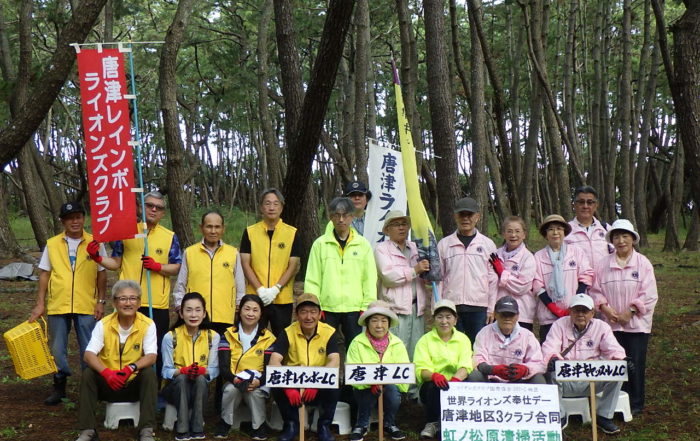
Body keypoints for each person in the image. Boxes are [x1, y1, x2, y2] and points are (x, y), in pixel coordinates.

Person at [88, 191, 182, 376]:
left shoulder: (170, 236)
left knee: (154, 349)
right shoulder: (126, 232)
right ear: (141, 207)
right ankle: (122, 382)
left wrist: (158, 266)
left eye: (158, 208)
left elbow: (177, 267)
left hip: (156, 303)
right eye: (149, 205)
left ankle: (155, 387)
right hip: (127, 300)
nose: (153, 210)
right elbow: (115, 263)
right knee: (124, 347)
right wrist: (97, 257)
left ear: (163, 213)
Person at [29, 201, 107, 405]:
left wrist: (100, 301)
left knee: (89, 347)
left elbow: (102, 273)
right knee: (57, 348)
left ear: (84, 218)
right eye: (70, 218)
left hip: (86, 303)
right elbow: (45, 274)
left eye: (78, 217)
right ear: (62, 221)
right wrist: (40, 303)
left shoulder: (95, 243)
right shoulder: (53, 244)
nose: (75, 221)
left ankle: (90, 388)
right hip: (59, 303)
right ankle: (59, 386)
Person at [74, 280, 158, 441]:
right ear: (114, 302)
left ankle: (146, 429)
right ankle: (87, 430)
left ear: (139, 302)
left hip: (132, 383)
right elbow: (89, 354)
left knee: (149, 373)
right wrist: (107, 373)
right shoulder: (103, 324)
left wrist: (130, 368)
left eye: (133, 298)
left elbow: (151, 356)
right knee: (88, 373)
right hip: (108, 383)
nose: (128, 303)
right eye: (123, 298)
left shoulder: (147, 324)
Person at [590, 219, 658, 415]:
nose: (621, 241)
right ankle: (615, 402)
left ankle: (635, 403)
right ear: (611, 240)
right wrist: (605, 308)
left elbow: (649, 293)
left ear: (633, 239)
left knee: (635, 362)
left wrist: (631, 311)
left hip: (637, 325)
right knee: (614, 363)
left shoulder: (643, 263)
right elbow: (595, 290)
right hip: (611, 324)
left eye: (625, 236)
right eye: (617, 237)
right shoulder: (603, 264)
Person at [542, 294, 627, 435]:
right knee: (551, 371)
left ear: (592, 313)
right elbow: (550, 346)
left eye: (584, 311)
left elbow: (613, 348)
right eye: (576, 310)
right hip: (566, 381)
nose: (580, 314)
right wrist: (553, 358)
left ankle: (603, 416)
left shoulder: (602, 327)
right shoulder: (559, 325)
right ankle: (560, 414)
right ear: (570, 311)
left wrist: (622, 359)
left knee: (618, 371)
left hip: (592, 381)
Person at [268, 293, 341, 441]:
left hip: (318, 383)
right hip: (294, 383)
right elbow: (274, 361)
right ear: (296, 315)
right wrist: (288, 387)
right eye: (304, 312)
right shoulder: (287, 332)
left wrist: (317, 383)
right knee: (276, 384)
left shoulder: (329, 332)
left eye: (313, 312)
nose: (309, 317)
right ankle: (291, 425)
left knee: (334, 383)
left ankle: (324, 426)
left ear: (320, 314)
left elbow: (334, 360)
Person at [305, 197, 377, 345]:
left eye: (345, 215)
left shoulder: (363, 244)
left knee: (354, 347)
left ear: (352, 216)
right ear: (331, 217)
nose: (341, 219)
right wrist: (314, 305)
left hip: (354, 307)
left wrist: (366, 306)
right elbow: (313, 278)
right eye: (337, 215)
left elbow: (369, 278)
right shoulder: (320, 244)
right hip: (327, 307)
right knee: (325, 346)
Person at [240, 188, 301, 336]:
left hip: (282, 298)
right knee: (253, 337)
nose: (271, 207)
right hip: (255, 297)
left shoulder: (292, 233)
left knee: (282, 338)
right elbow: (245, 263)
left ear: (281, 207)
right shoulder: (250, 232)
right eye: (267, 203)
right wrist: (260, 289)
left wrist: (276, 289)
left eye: (275, 203)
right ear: (261, 207)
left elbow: (293, 265)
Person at [437, 196, 498, 344]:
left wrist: (491, 308)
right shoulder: (444, 244)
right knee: (451, 346)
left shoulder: (488, 245)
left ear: (477, 216)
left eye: (469, 215)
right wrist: (437, 307)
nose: (465, 218)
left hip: (479, 307)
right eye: (461, 214)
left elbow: (493, 278)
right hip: (451, 306)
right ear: (455, 216)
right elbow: (439, 278)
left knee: (477, 346)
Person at [346, 301, 410, 441]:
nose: (379, 325)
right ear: (367, 323)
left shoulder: (397, 343)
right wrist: (370, 382)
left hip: (390, 388)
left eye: (383, 321)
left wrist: (386, 382)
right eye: (374, 320)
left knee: (392, 390)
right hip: (364, 390)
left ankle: (389, 423)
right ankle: (361, 425)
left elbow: (404, 374)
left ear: (389, 323)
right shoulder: (357, 343)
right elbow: (353, 372)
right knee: (368, 390)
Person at [174, 210, 246, 334]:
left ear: (223, 229)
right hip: (196, 316)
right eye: (209, 226)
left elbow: (239, 284)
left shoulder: (233, 253)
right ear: (201, 228)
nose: (213, 231)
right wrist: (180, 305)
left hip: (225, 316)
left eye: (217, 227)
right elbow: (181, 284)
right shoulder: (190, 253)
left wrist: (239, 305)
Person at [215, 294, 276, 440]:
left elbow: (270, 368)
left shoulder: (268, 337)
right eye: (247, 309)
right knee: (230, 390)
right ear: (240, 310)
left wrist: (258, 382)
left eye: (255, 310)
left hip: (258, 381)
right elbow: (223, 366)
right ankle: (225, 422)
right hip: (233, 379)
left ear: (261, 314)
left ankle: (259, 426)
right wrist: (235, 380)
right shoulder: (228, 334)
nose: (250, 314)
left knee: (255, 392)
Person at [161, 292, 220, 441]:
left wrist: (202, 371)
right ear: (181, 314)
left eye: (198, 310)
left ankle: (197, 428)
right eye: (188, 310)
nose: (193, 315)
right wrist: (182, 371)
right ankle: (182, 429)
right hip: (174, 388)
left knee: (200, 379)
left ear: (204, 313)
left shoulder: (213, 336)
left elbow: (214, 369)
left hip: (200, 389)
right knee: (182, 379)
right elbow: (165, 370)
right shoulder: (171, 337)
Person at [373, 210, 431, 358]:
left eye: (404, 224)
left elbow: (425, 275)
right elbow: (388, 277)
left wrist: (429, 273)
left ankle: (413, 375)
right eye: (396, 224)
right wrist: (414, 270)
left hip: (417, 310)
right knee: (395, 353)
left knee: (417, 352)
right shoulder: (381, 249)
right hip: (395, 311)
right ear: (387, 230)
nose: (401, 228)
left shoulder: (416, 248)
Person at [413, 299, 473, 439]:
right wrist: (434, 376)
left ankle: (460, 421)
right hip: (434, 386)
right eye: (439, 317)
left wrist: (455, 380)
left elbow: (466, 364)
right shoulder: (425, 340)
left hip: (457, 382)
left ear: (455, 320)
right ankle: (433, 422)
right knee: (432, 386)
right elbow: (421, 369)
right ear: (434, 320)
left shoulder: (463, 339)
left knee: (472, 378)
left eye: (448, 317)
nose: (444, 321)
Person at [533, 214, 594, 341]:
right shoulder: (538, 256)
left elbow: (586, 276)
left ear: (564, 232)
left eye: (559, 229)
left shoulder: (576, 252)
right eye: (551, 229)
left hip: (575, 314)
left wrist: (574, 304)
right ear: (545, 234)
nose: (555, 233)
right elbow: (537, 285)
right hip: (548, 317)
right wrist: (553, 308)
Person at [467, 296, 546, 383]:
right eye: (503, 314)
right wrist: (492, 369)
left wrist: (525, 370)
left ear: (518, 316)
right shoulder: (484, 333)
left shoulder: (528, 336)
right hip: (491, 380)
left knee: (538, 379)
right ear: (495, 314)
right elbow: (477, 357)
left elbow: (538, 363)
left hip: (519, 381)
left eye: (511, 314)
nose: (507, 318)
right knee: (474, 376)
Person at [490, 216, 537, 330]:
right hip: (498, 312)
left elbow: (522, 287)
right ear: (503, 234)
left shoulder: (528, 257)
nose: (513, 235)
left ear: (524, 234)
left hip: (522, 314)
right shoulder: (495, 255)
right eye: (509, 231)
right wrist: (490, 308)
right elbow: (490, 283)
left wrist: (502, 273)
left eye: (517, 231)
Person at [565, 185, 613, 264]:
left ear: (596, 206)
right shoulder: (565, 231)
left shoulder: (607, 229)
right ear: (574, 205)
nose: (585, 206)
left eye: (590, 202)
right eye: (581, 202)